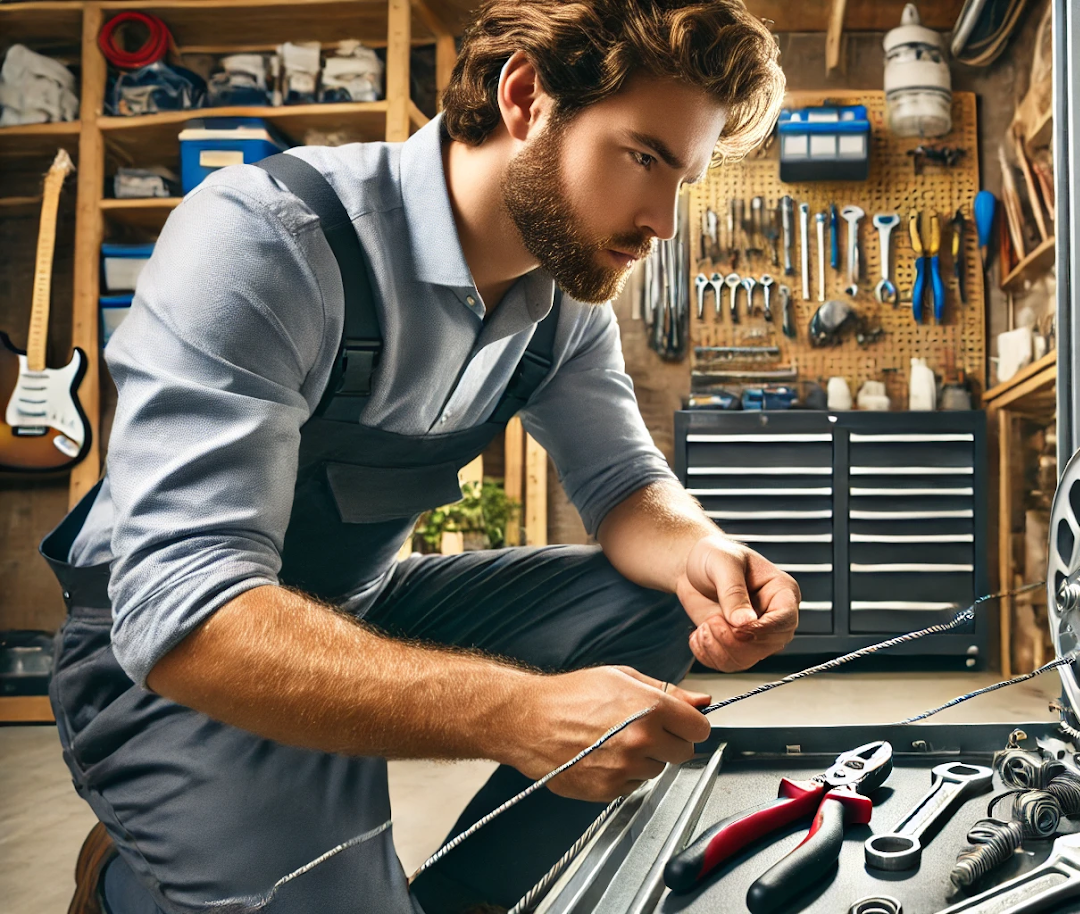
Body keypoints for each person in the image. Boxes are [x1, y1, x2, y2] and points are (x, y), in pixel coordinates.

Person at [44, 2, 792, 911]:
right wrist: (515, 712)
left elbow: (627, 487)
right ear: (526, 96)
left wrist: (705, 553)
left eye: (686, 177)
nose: (664, 222)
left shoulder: (564, 306)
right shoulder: (270, 237)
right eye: (644, 157)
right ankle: (133, 876)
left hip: (358, 608)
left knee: (655, 597)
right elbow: (184, 606)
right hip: (172, 657)